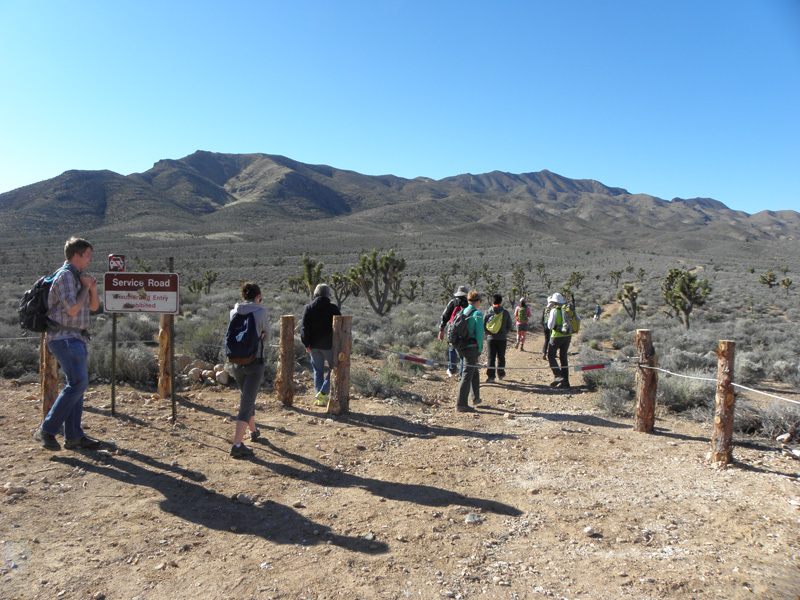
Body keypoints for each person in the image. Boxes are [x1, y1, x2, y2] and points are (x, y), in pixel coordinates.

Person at [33, 237, 101, 451]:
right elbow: (72, 309)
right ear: (76, 255)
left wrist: (91, 288)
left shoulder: (78, 277)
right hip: (64, 338)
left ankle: (73, 436)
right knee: (78, 384)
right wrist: (84, 287)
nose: (90, 259)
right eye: (88, 255)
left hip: (76, 337)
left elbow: (93, 306)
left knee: (77, 386)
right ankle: (46, 430)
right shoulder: (64, 277)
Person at [228, 282, 271, 458]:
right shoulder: (261, 312)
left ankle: (253, 432)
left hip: (236, 362)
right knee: (246, 403)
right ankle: (237, 445)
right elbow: (267, 338)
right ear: (258, 296)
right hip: (255, 362)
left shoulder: (233, 311)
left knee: (247, 397)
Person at [301, 284, 341, 406]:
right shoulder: (333, 308)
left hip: (313, 345)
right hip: (328, 346)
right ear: (328, 294)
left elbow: (304, 328)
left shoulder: (309, 308)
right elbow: (340, 327)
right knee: (335, 368)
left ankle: (320, 399)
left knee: (317, 371)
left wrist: (306, 343)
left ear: (316, 294)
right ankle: (323, 393)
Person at [455, 291, 484, 412]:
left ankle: (475, 397)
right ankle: (461, 404)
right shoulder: (477, 314)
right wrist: (480, 349)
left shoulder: (463, 312)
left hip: (460, 347)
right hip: (471, 347)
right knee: (467, 376)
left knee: (474, 371)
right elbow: (479, 334)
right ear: (478, 301)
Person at [438, 285, 469, 377]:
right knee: (463, 350)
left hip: (452, 329)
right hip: (465, 330)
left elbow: (445, 316)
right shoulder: (468, 304)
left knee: (452, 348)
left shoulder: (453, 302)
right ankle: (462, 373)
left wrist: (441, 329)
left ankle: (452, 369)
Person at [483, 294, 513, 382]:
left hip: (491, 338)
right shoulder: (505, 313)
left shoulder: (488, 312)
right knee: (501, 356)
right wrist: (504, 333)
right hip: (502, 338)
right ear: (501, 302)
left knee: (491, 357)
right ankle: (501, 373)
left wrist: (488, 333)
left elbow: (484, 325)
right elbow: (509, 325)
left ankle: (491, 376)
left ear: (492, 302)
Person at [546, 292, 572, 389]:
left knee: (551, 355)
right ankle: (566, 382)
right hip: (568, 335)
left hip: (556, 335)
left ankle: (558, 375)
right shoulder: (567, 310)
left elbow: (550, 326)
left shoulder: (554, 311)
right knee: (563, 357)